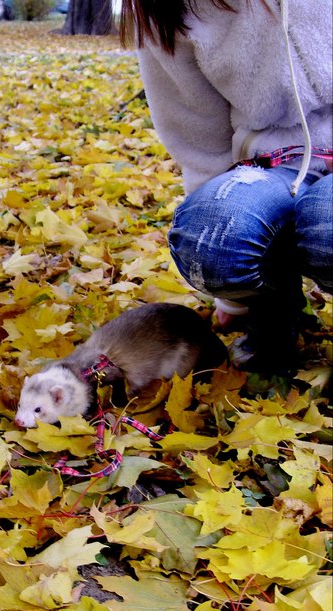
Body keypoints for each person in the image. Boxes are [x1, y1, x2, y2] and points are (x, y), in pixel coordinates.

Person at [120, 0, 332, 373]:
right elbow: (200, 138)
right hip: (270, 162)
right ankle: (275, 317)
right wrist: (235, 291)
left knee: (327, 223)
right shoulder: (168, 8)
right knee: (211, 242)